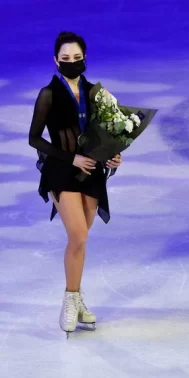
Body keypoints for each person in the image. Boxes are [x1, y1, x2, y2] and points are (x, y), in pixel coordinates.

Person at [28, 31, 122, 337]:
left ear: (84, 59)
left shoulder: (97, 93)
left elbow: (106, 135)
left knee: (81, 240)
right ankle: (70, 300)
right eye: (65, 58)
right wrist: (71, 160)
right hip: (60, 169)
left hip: (91, 171)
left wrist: (113, 154)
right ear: (56, 61)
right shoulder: (49, 94)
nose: (71, 62)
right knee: (78, 235)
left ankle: (78, 297)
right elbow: (34, 138)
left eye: (76, 58)